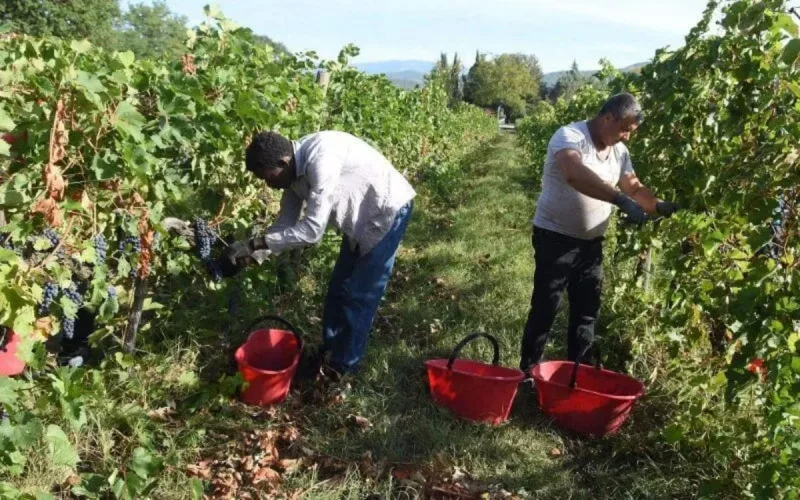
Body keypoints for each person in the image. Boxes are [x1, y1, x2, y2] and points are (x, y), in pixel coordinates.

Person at [227, 130, 416, 375]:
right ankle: (330, 352)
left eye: (268, 177)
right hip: (360, 219)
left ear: (283, 162)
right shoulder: (291, 174)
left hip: (388, 209)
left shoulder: (321, 159)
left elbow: (312, 231)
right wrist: (252, 254)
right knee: (338, 290)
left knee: (360, 296)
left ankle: (342, 370)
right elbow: (284, 225)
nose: (268, 184)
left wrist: (256, 245)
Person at [520, 93, 678, 373]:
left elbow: (634, 187)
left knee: (586, 312)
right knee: (547, 307)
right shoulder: (570, 136)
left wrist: (657, 205)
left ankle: (576, 375)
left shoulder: (619, 152)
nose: (627, 137)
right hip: (555, 238)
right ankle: (528, 372)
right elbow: (574, 173)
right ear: (608, 118)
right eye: (625, 129)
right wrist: (619, 200)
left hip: (591, 244)